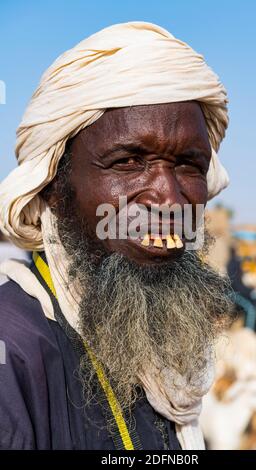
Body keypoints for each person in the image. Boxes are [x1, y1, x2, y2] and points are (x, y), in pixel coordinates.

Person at [0, 22, 233, 450]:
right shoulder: (13, 355)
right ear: (52, 185)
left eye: (188, 164)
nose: (169, 200)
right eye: (128, 161)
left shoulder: (169, 353)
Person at [227, 246, 256, 333]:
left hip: (239, 291)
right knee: (251, 308)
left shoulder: (236, 262)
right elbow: (235, 283)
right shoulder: (234, 263)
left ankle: (254, 331)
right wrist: (250, 292)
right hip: (234, 292)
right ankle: (248, 332)